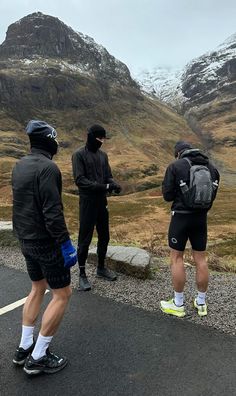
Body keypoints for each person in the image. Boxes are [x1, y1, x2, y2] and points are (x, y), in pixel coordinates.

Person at [12, 120, 77, 375]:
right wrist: (65, 244)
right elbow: (53, 212)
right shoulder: (49, 168)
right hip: (47, 242)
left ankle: (24, 347)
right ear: (49, 140)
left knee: (37, 287)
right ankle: (38, 356)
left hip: (25, 239)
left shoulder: (20, 165)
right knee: (62, 294)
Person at [160, 141, 220, 318]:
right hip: (201, 219)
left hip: (180, 218)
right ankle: (201, 303)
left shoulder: (175, 166)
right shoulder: (212, 168)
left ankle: (178, 304)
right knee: (200, 260)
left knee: (176, 259)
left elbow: (167, 195)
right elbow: (212, 196)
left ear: (178, 153)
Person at [72, 124, 122, 291]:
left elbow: (107, 176)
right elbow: (80, 180)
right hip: (87, 203)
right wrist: (105, 187)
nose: (101, 142)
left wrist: (113, 184)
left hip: (102, 202)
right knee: (84, 239)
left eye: (103, 139)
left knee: (105, 236)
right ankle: (82, 274)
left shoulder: (103, 156)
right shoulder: (78, 155)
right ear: (91, 137)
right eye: (99, 139)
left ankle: (101, 268)